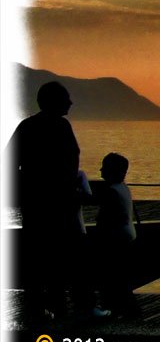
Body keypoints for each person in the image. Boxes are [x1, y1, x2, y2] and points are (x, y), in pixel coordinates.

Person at [9, 81, 101, 322]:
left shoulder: (28, 127)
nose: (71, 102)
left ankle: (40, 308)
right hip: (59, 206)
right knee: (72, 258)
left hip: (38, 206)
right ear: (54, 101)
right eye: (66, 98)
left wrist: (26, 191)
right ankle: (79, 307)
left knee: (39, 259)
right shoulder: (59, 126)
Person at [94, 152, 141, 318]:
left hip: (116, 240)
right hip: (128, 237)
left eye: (104, 167)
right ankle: (126, 311)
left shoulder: (112, 191)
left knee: (112, 279)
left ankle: (115, 310)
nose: (100, 170)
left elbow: (105, 220)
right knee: (122, 280)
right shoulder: (124, 188)